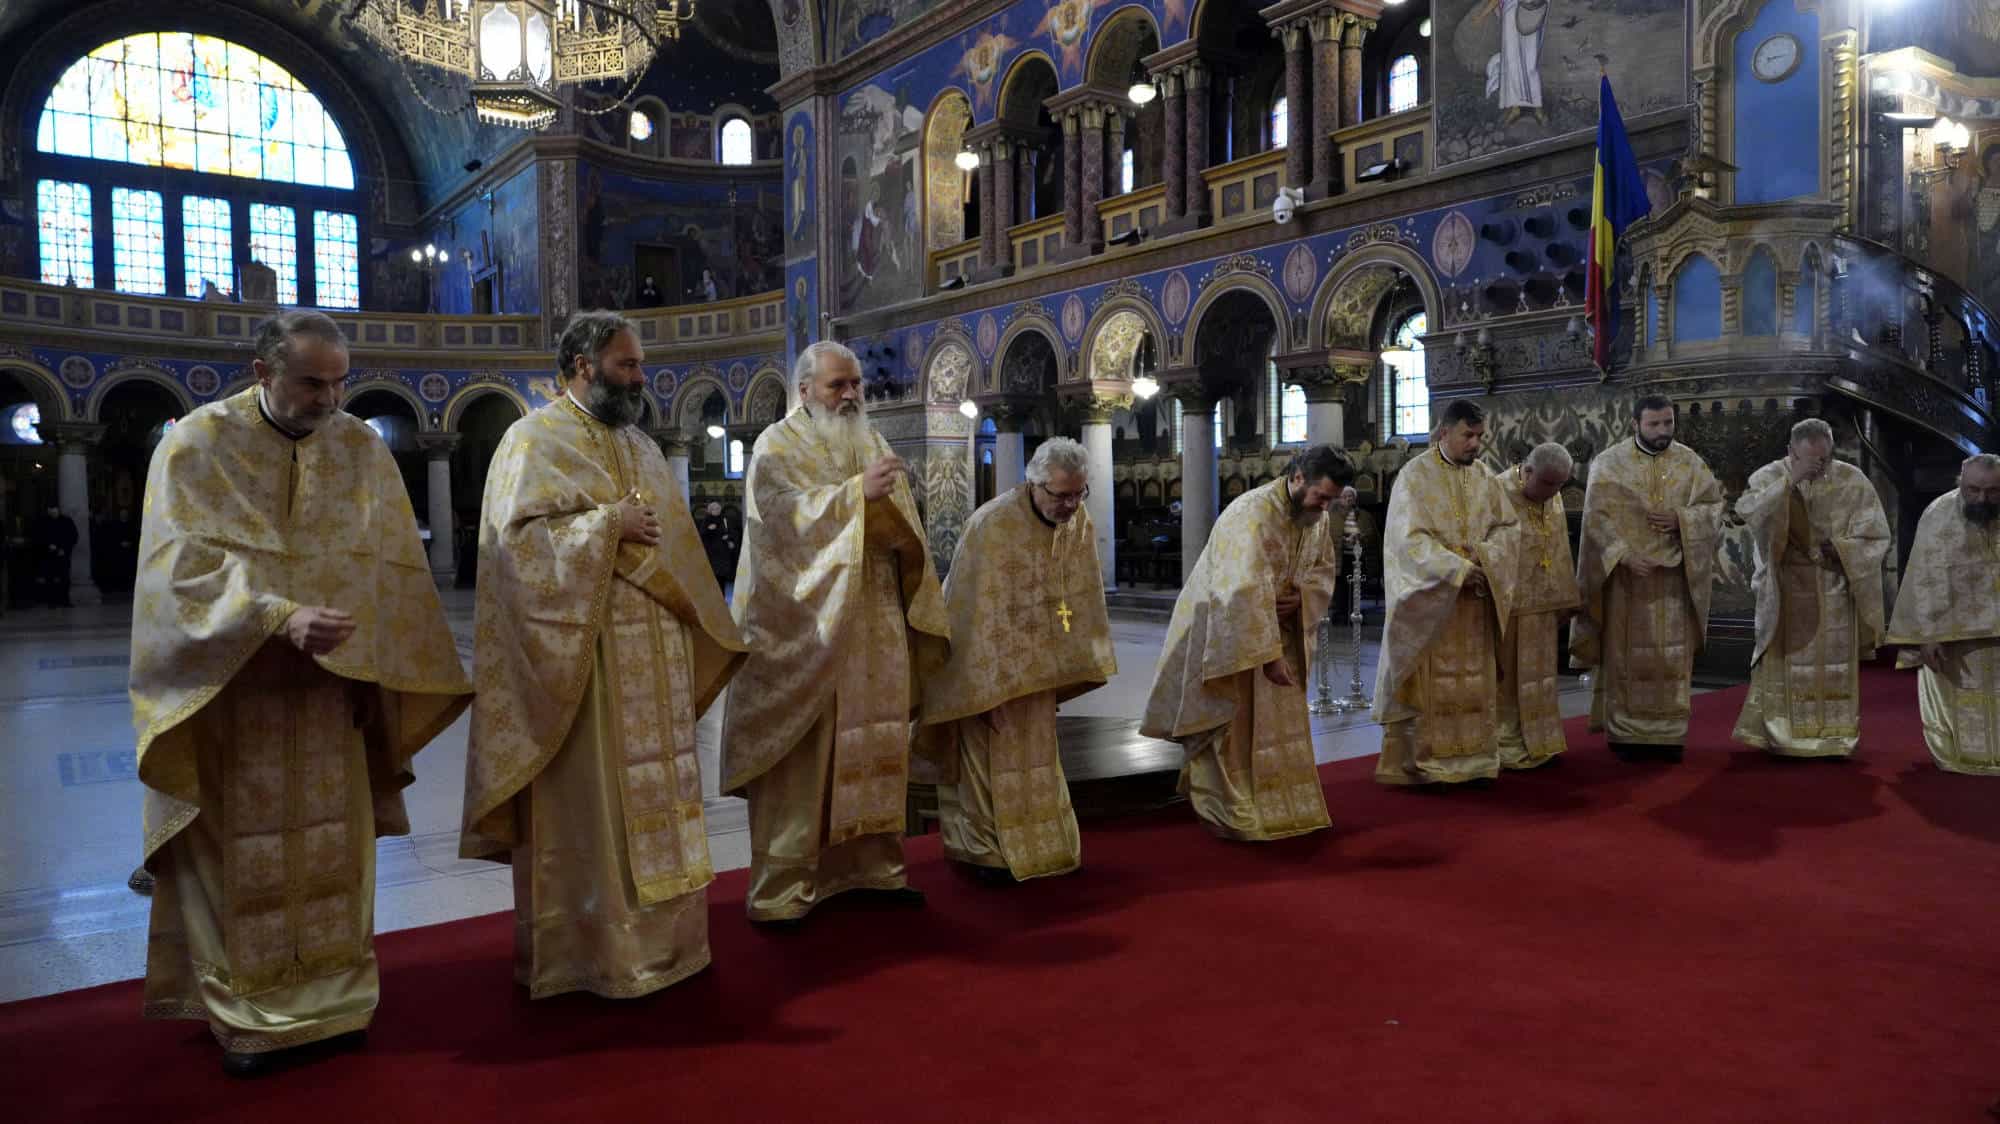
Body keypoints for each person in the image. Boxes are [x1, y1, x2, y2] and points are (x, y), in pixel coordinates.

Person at [130, 310, 472, 1076]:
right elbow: (177, 567)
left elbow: (391, 570)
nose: (330, 398)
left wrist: (377, 665)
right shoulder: (196, 445)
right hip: (233, 692)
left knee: (331, 846)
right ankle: (245, 1011)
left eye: (339, 381)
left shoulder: (359, 448)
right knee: (238, 853)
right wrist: (276, 616)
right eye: (312, 382)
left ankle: (337, 998)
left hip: (332, 692)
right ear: (262, 373)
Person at [460, 311, 745, 999]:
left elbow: (673, 545)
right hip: (582, 669)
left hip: (656, 655)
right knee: (596, 807)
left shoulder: (644, 447)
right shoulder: (530, 441)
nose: (640, 378)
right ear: (584, 365)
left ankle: (670, 948)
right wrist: (605, 525)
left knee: (664, 801)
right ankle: (592, 959)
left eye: (639, 365)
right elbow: (512, 553)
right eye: (627, 366)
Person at [719, 340, 948, 925]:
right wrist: (856, 497)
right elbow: (778, 521)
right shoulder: (776, 445)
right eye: (835, 386)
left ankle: (874, 868)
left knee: (875, 737)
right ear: (804, 391)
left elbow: (900, 521)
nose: (849, 396)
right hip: (809, 630)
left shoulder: (870, 440)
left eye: (855, 386)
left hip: (873, 619)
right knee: (809, 751)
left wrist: (897, 517)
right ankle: (786, 887)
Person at [918, 438, 1115, 883]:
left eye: (1078, 493)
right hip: (985, 675)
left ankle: (1043, 845)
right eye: (1060, 494)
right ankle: (984, 852)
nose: (1070, 505)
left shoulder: (1076, 520)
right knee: (990, 761)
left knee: (1037, 758)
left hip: (1039, 672)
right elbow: (970, 613)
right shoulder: (992, 525)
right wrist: (985, 689)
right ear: (1034, 483)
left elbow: (1078, 595)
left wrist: (1064, 668)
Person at [1140, 444, 1355, 839]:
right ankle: (1229, 807)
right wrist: (1269, 656)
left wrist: (1304, 597)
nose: (1324, 507)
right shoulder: (1251, 513)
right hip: (1227, 635)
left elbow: (1323, 568)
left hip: (1280, 631)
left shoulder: (1314, 517)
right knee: (1229, 720)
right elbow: (1240, 588)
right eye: (1321, 496)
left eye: (1331, 500)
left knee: (1276, 724)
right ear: (1296, 477)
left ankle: (1277, 801)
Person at [1373, 400, 1521, 787]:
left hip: (1474, 606)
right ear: (1444, 433)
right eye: (1467, 436)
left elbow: (1508, 529)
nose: (1475, 444)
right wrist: (1458, 570)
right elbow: (1408, 540)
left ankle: (1475, 759)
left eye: (1479, 437)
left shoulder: (1486, 478)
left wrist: (1487, 560)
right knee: (1434, 686)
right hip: (1433, 605)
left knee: (1474, 681)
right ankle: (1428, 763)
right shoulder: (1414, 477)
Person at [1572, 394, 1724, 763]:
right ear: (1636, 424)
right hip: (1628, 581)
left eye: (1668, 423)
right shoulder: (1609, 464)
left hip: (1673, 580)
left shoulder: (1691, 463)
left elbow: (1713, 510)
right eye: (1654, 424)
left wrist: (1682, 520)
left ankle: (1669, 733)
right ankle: (1625, 732)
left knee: (1670, 661)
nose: (1662, 431)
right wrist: (1622, 555)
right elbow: (1595, 520)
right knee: (1628, 658)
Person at [1731, 419, 1891, 759]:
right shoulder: (1769, 476)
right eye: (1811, 460)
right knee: (1786, 664)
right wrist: (1792, 480)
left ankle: (1835, 737)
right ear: (1791, 452)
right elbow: (1748, 512)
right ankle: (1783, 734)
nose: (1820, 467)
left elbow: (1876, 535)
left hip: (1834, 587)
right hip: (1785, 589)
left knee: (1832, 668)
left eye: (1825, 459)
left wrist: (1844, 548)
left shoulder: (1852, 479)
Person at [1886, 453, 2000, 775]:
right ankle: (1967, 758)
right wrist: (1927, 635)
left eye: (1993, 491)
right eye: (1974, 489)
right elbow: (1923, 576)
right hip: (1955, 636)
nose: (1982, 498)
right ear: (1960, 483)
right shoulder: (1937, 515)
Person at [1495, 442, 1579, 770]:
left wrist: (1566, 596)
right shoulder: (1496, 492)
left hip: (1542, 605)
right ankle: (1506, 744)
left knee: (1542, 678)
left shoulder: (1552, 494)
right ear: (1527, 471)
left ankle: (1542, 741)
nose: (1553, 492)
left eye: (1560, 485)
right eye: (1547, 484)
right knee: (1508, 680)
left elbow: (1558, 544)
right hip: (1509, 606)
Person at [32, 504, 77, 607]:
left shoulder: (66, 521)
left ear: (58, 510)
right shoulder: (43, 522)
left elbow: (73, 536)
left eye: (55, 511)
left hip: (63, 554)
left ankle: (65, 600)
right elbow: (38, 537)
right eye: (51, 511)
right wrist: (48, 546)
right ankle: (51, 601)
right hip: (49, 555)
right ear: (48, 511)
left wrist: (64, 549)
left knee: (65, 578)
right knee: (49, 578)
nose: (53, 513)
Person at [696, 500, 737, 590]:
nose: (718, 510)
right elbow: (701, 535)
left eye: (718, 508)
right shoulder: (706, 520)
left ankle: (722, 598)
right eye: (715, 508)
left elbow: (732, 532)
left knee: (722, 577)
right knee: (713, 577)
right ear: (710, 510)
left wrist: (728, 537)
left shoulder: (724, 519)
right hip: (712, 554)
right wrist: (709, 529)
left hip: (723, 553)